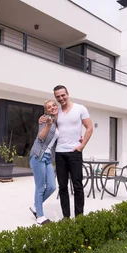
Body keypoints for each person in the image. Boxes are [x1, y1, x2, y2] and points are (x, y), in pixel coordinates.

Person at [40, 85, 93, 218]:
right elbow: (47, 121)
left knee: (77, 186)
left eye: (63, 95)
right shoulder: (57, 113)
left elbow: (89, 128)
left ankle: (79, 217)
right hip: (60, 153)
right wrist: (41, 118)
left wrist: (82, 146)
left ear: (67, 94)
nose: (61, 98)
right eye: (58, 96)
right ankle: (66, 218)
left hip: (75, 152)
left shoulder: (80, 108)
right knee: (62, 188)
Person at [28, 100, 60, 225]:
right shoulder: (46, 119)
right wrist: (48, 124)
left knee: (52, 186)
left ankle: (37, 206)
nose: (52, 108)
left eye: (53, 105)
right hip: (38, 156)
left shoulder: (57, 121)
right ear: (46, 111)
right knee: (40, 187)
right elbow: (41, 137)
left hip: (48, 158)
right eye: (49, 107)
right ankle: (40, 216)